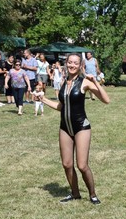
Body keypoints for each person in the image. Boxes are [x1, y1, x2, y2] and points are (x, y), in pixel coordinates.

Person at [40, 53, 110, 204]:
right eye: (70, 62)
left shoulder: (85, 82)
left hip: (81, 127)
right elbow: (61, 106)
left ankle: (92, 194)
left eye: (75, 63)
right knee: (67, 164)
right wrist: (43, 99)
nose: (72, 65)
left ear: (80, 66)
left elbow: (106, 100)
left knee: (82, 165)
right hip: (65, 127)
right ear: (66, 63)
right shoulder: (64, 82)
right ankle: (75, 193)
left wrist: (95, 81)